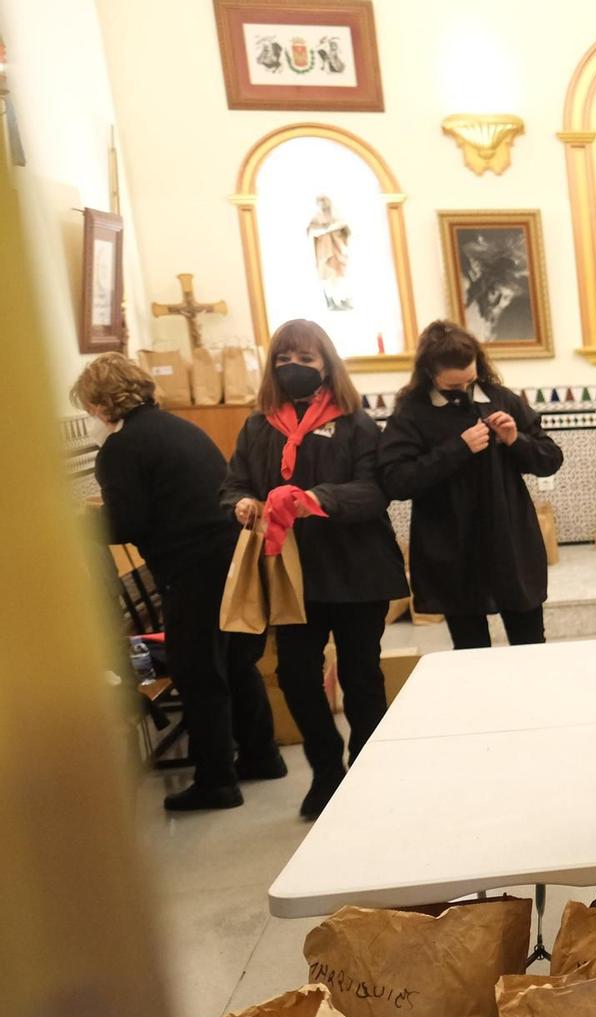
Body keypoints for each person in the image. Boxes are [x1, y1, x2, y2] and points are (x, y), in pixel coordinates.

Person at [76, 352, 283, 812]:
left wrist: (76, 525)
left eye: (89, 407)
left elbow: (126, 522)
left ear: (101, 403)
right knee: (232, 661)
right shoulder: (178, 427)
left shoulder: (122, 447)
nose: (91, 417)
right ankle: (261, 755)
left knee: (196, 671)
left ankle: (217, 783)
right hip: (228, 558)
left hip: (192, 567)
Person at [220, 319, 406, 819]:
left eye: (306, 360)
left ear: (326, 365)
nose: (294, 369)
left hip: (356, 569)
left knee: (360, 675)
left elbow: (374, 491)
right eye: (284, 360)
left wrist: (316, 499)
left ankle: (366, 770)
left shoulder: (355, 423)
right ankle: (326, 769)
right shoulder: (258, 425)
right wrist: (240, 503)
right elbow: (232, 484)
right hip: (292, 577)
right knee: (296, 676)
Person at [380, 320, 563, 649]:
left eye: (471, 380)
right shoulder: (412, 412)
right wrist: (457, 449)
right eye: (453, 386)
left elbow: (550, 459)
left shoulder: (501, 399)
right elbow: (396, 481)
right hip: (451, 550)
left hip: (510, 543)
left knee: (531, 646)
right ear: (429, 374)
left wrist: (514, 439)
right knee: (470, 652)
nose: (464, 390)